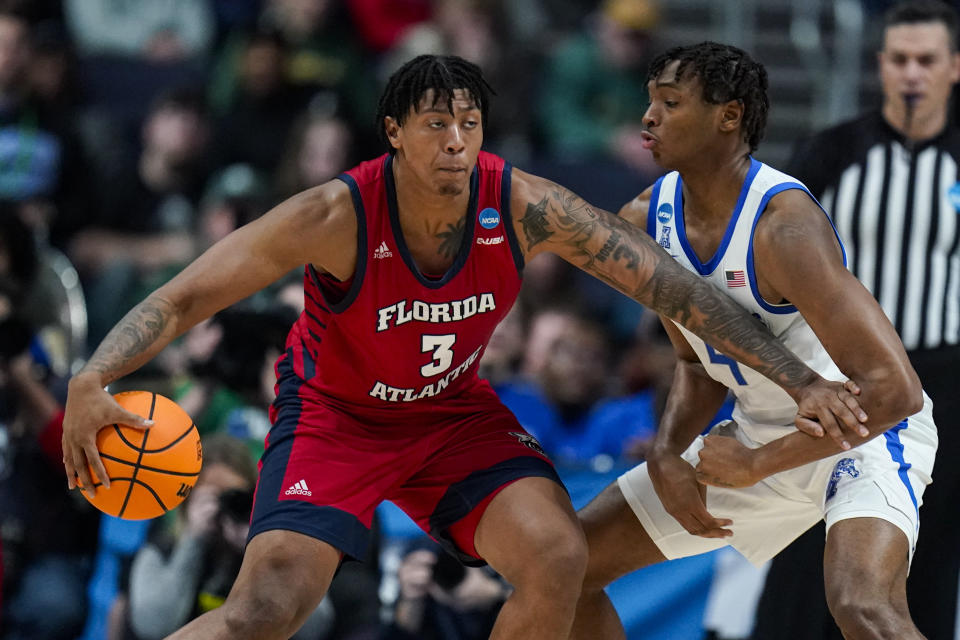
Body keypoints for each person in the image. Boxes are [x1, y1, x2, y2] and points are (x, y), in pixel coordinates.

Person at [61, 54, 867, 640]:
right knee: (264, 612)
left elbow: (678, 291)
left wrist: (799, 380)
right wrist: (95, 376)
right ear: (394, 135)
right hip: (335, 421)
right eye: (436, 122)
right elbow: (187, 295)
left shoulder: (525, 205)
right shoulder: (333, 215)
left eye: (469, 123)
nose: (456, 140)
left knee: (557, 556)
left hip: (450, 419)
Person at [570, 42, 936, 640]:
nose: (648, 117)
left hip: (862, 435)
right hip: (755, 437)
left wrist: (756, 464)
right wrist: (667, 451)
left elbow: (896, 392)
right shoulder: (645, 218)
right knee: (569, 563)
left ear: (729, 116)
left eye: (670, 102)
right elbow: (693, 358)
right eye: (649, 102)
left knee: (862, 607)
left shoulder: (783, 225)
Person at [753, 3, 960, 638]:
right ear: (880, 66)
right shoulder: (831, 152)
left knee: (924, 558)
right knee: (805, 546)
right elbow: (769, 246)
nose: (912, 74)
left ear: (954, 68)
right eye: (899, 59)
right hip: (842, 378)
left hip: (946, 381)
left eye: (926, 60)